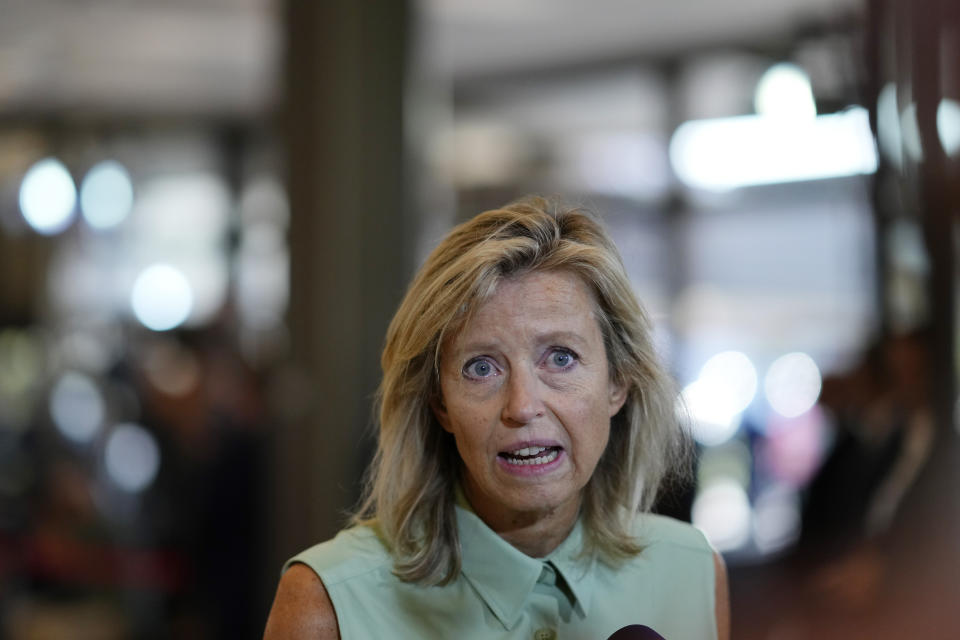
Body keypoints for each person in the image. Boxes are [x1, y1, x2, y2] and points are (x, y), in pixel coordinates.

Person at [264, 197, 730, 639]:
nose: (522, 406)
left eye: (561, 358)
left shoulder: (691, 573)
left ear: (618, 382)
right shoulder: (326, 604)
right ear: (439, 403)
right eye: (481, 367)